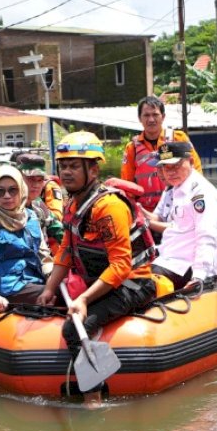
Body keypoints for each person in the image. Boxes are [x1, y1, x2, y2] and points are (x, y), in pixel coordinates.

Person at [36, 131, 157, 406]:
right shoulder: (72, 205)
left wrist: (84, 299)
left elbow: (121, 265)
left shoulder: (109, 207)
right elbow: (66, 250)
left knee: (73, 329)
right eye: (62, 166)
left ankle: (94, 398)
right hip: (101, 281)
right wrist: (50, 289)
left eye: (74, 166)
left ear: (93, 168)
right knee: (49, 305)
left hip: (133, 284)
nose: (66, 172)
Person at [0, 165, 52, 313]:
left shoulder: (31, 217)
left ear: (21, 190)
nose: (7, 196)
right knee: (59, 295)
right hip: (5, 289)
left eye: (13, 190)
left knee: (71, 287)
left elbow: (44, 257)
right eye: (0, 191)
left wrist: (52, 281)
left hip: (33, 281)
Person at [140, 141, 217, 290]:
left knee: (136, 287)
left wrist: (199, 276)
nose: (170, 172)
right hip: (169, 258)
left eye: (175, 165)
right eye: (165, 167)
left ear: (190, 162)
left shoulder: (201, 194)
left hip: (184, 266)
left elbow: (206, 237)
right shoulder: (177, 188)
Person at [121, 95, 203, 212]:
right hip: (145, 211)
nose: (151, 119)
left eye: (155, 115)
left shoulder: (178, 138)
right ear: (140, 118)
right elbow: (126, 184)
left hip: (178, 207)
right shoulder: (132, 148)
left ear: (163, 117)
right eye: (146, 115)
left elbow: (196, 170)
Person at [12, 152, 64, 221]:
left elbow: (57, 219)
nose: (36, 185)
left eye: (40, 180)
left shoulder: (38, 205)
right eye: (30, 179)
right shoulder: (6, 201)